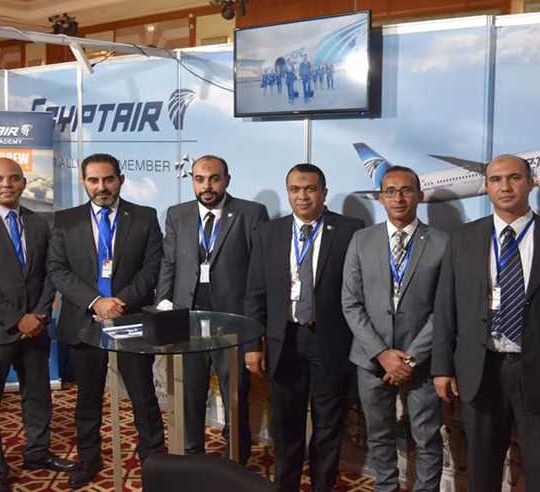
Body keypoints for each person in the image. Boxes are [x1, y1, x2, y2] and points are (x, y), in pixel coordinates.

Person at [431, 155, 540, 492]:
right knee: (481, 473)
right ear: (486, 187)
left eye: (514, 178)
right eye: (496, 180)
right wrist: (442, 367)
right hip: (480, 372)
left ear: (531, 182)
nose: (505, 187)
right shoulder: (463, 239)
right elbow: (446, 306)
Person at [0, 158, 74, 492]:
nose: (5, 184)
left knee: (38, 397)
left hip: (35, 329)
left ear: (23, 183)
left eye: (12, 178)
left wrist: (39, 314)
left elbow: (50, 272)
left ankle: (37, 453)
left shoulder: (38, 222)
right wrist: (18, 319)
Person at [48, 153, 165, 489]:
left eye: (108, 179)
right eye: (94, 180)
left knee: (143, 395)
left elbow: (152, 267)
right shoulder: (65, 220)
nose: (101, 187)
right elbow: (57, 269)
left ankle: (154, 460)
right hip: (84, 320)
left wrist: (119, 302)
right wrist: (97, 301)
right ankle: (89, 459)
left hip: (131, 318)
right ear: (83, 182)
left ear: (120, 180)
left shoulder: (144, 217)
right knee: (87, 398)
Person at [245, 164, 364, 492]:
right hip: (284, 340)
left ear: (324, 192)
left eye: (310, 189)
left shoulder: (350, 230)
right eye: (295, 189)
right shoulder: (269, 232)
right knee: (286, 427)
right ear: (288, 193)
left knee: (328, 427)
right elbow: (255, 293)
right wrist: (252, 345)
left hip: (330, 342)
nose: (302, 196)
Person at [156, 154, 268, 461]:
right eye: (200, 179)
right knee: (190, 394)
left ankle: (236, 459)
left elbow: (259, 273)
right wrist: (164, 306)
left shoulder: (251, 213)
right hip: (188, 321)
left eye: (214, 179)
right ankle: (193, 457)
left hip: (233, 324)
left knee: (236, 397)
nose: (207, 186)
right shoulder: (177, 214)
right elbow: (169, 263)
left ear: (227, 180)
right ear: (192, 180)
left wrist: (256, 328)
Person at [342, 166, 446, 492]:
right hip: (371, 359)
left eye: (406, 190)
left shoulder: (443, 243)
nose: (398, 198)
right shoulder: (361, 240)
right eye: (390, 191)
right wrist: (382, 354)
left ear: (419, 195)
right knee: (379, 434)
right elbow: (350, 303)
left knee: (427, 437)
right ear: (381, 197)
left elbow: (444, 309)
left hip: (422, 361)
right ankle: (386, 487)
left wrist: (410, 358)